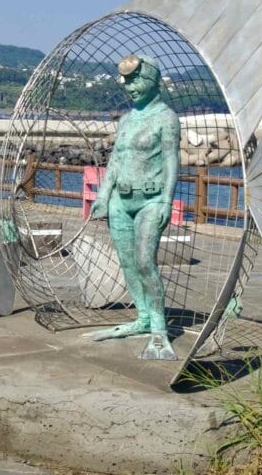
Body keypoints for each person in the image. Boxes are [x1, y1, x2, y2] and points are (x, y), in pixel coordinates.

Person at [90, 54, 180, 360]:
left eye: (137, 80)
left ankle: (159, 330)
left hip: (151, 200)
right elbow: (116, 159)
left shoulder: (166, 117)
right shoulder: (127, 120)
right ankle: (142, 317)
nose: (131, 87)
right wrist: (103, 195)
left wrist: (167, 199)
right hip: (120, 201)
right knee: (128, 262)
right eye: (128, 82)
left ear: (153, 81)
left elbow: (171, 159)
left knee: (145, 261)